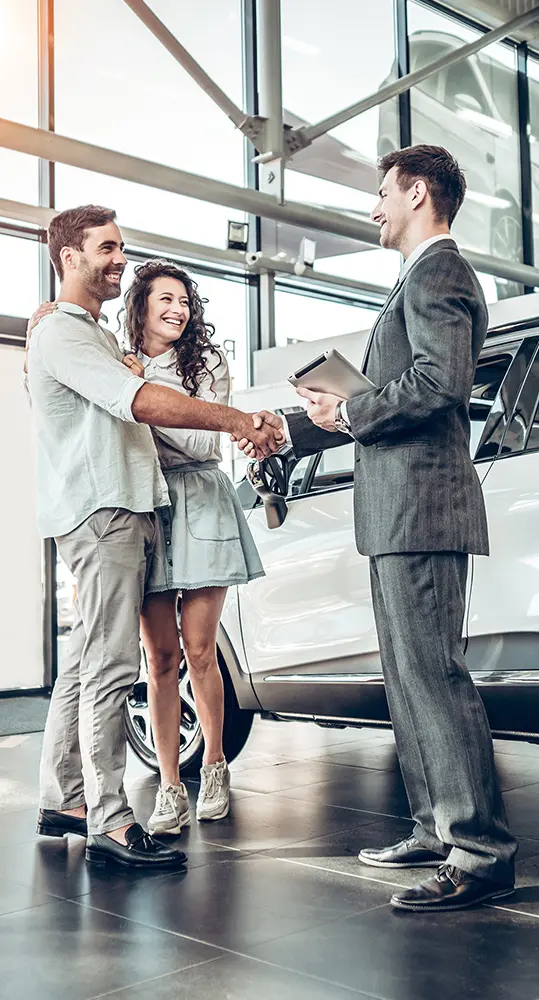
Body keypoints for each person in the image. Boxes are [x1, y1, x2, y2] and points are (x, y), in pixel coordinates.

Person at [241, 145, 518, 912]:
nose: (373, 208)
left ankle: (479, 852)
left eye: (382, 194)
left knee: (433, 677)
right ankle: (435, 828)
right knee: (408, 679)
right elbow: (388, 393)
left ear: (417, 192)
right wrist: (298, 427)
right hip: (397, 511)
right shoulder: (417, 278)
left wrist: (351, 409)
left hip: (421, 508)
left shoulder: (438, 273)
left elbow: (438, 384)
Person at [26, 205, 281, 869]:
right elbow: (136, 401)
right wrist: (235, 420)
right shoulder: (65, 333)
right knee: (114, 667)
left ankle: (64, 799)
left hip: (124, 509)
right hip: (105, 512)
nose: (119, 259)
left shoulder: (88, 332)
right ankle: (111, 821)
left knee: (85, 662)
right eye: (106, 248)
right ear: (69, 257)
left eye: (121, 249)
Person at [119, 259, 264, 833]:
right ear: (142, 306)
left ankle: (215, 764)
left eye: (184, 301)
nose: (177, 310)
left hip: (202, 501)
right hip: (147, 503)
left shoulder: (208, 361)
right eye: (166, 300)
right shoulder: (121, 360)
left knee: (201, 650)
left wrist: (144, 397)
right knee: (158, 658)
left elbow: (203, 443)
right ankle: (171, 786)